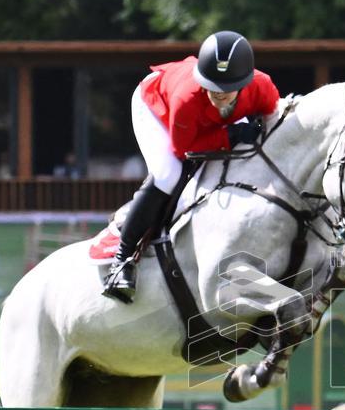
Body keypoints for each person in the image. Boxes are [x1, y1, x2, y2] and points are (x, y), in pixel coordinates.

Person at [102, 30, 280, 303]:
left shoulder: (263, 87)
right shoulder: (188, 98)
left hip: (204, 122)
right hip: (156, 106)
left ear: (244, 84)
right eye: (211, 86)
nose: (217, 94)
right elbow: (184, 149)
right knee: (168, 175)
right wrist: (231, 135)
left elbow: (275, 126)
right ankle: (122, 260)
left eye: (225, 88)